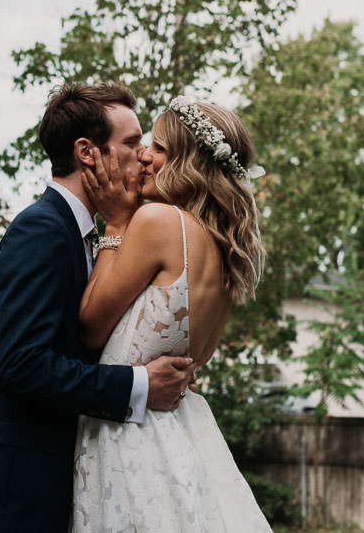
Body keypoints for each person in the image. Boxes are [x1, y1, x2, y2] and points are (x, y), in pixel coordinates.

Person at [0, 83, 196, 533]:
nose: (143, 156)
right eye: (131, 142)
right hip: (16, 504)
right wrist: (138, 384)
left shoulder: (98, 237)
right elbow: (22, 366)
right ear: (88, 152)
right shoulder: (40, 231)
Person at [71, 96, 272, 532]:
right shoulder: (223, 253)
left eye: (158, 148)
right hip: (181, 434)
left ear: (188, 162)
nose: (143, 154)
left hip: (131, 439)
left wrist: (116, 225)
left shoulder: (158, 222)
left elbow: (88, 327)